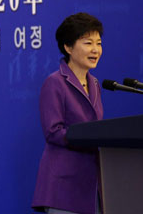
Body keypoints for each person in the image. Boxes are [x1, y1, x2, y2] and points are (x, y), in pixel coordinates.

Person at [32, 13, 104, 214]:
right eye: (88, 43)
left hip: (92, 185)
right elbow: (53, 131)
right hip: (64, 187)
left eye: (98, 43)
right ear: (68, 47)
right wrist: (90, 137)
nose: (95, 50)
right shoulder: (54, 83)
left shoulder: (95, 84)